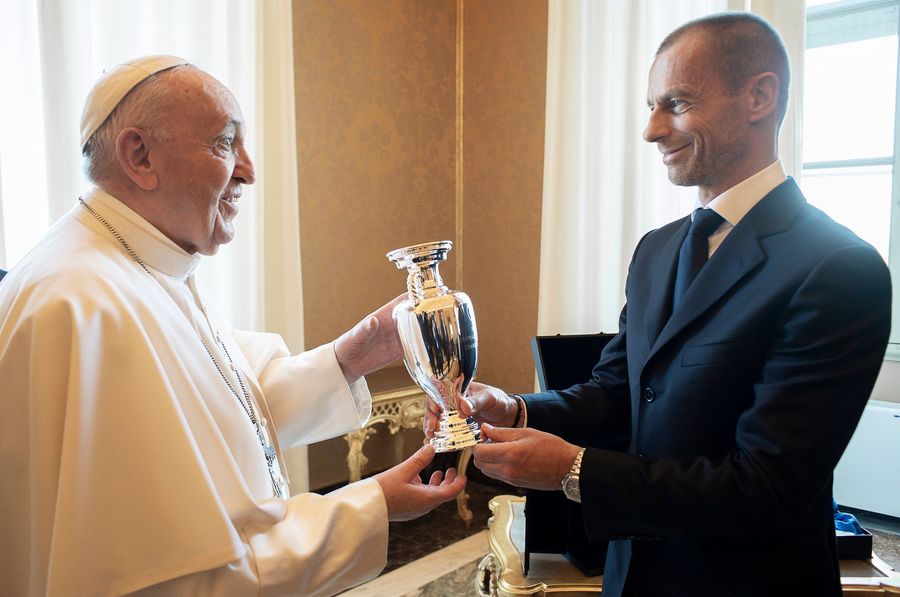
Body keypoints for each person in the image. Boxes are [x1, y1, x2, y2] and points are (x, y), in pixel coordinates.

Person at [438, 13, 892, 597]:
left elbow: (767, 488)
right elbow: (616, 394)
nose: (652, 130)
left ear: (759, 96)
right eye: (651, 106)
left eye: (675, 103)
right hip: (632, 577)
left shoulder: (836, 267)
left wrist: (573, 470)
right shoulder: (657, 249)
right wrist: (515, 410)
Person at [0, 55, 465, 597]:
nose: (248, 170)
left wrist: (354, 354)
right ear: (139, 155)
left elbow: (223, 406)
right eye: (225, 143)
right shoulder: (83, 305)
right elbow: (175, 581)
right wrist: (373, 506)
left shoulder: (141, 264)